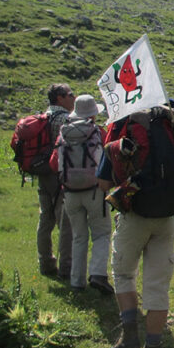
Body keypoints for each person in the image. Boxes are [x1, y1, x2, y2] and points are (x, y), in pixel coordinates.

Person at [97, 102, 174, 348]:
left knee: (123, 274)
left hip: (134, 215)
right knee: (157, 287)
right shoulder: (170, 123)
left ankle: (130, 335)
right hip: (167, 216)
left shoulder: (122, 125)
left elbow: (103, 182)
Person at [50, 94, 113, 295]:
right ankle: (97, 274)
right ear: (94, 114)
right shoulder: (98, 133)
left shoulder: (64, 133)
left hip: (70, 192)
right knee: (101, 233)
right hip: (94, 190)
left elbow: (54, 163)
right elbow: (106, 161)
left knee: (79, 236)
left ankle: (76, 282)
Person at [37, 83, 75, 278]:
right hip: (60, 175)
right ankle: (66, 267)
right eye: (70, 94)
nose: (73, 98)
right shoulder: (65, 119)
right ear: (60, 98)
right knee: (65, 223)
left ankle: (45, 262)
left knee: (45, 219)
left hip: (43, 174)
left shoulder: (43, 116)